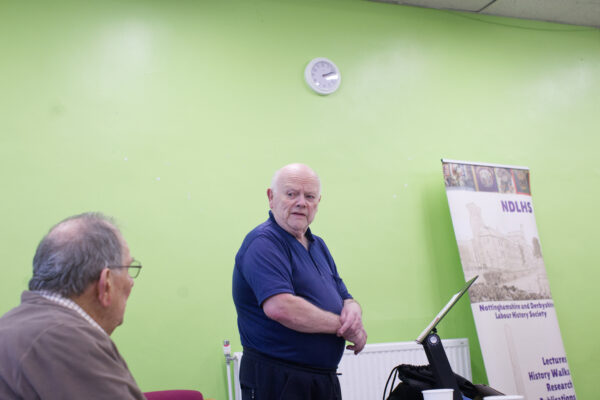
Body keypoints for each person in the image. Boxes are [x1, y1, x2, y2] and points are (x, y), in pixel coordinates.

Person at [233, 163, 367, 400]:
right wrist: (345, 328)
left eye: (310, 196)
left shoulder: (318, 245)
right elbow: (281, 308)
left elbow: (345, 296)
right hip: (279, 379)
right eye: (291, 194)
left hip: (321, 379)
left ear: (318, 202)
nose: (301, 203)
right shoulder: (264, 243)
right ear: (271, 197)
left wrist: (354, 312)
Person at [0, 212, 146, 400]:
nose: (130, 282)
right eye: (128, 269)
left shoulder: (12, 325)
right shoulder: (67, 340)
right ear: (106, 283)